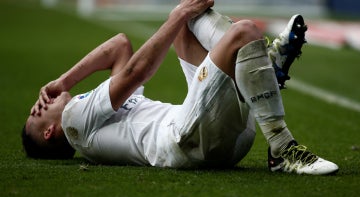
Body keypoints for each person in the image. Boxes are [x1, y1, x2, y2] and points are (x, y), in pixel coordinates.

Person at [22, 0, 338, 175]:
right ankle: (282, 148)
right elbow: (135, 71)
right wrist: (178, 14)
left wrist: (63, 81)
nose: (38, 105)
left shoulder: (96, 118)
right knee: (242, 33)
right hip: (187, 139)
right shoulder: (75, 123)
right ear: (49, 133)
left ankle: (259, 72)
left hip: (213, 136)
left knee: (187, 26)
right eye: (35, 115)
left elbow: (119, 46)